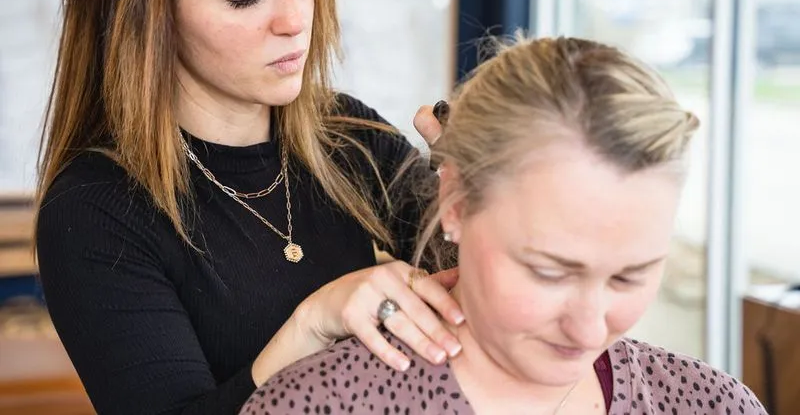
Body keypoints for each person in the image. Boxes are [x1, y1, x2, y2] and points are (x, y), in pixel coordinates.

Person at [34, 0, 461, 413]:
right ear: (148, 12)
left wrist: (480, 200)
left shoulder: (347, 135)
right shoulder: (95, 209)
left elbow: (485, 296)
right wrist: (311, 326)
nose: (294, 19)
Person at [240, 36, 768, 415]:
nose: (589, 330)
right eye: (548, 272)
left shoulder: (716, 404)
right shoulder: (316, 404)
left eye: (631, 276)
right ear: (455, 204)